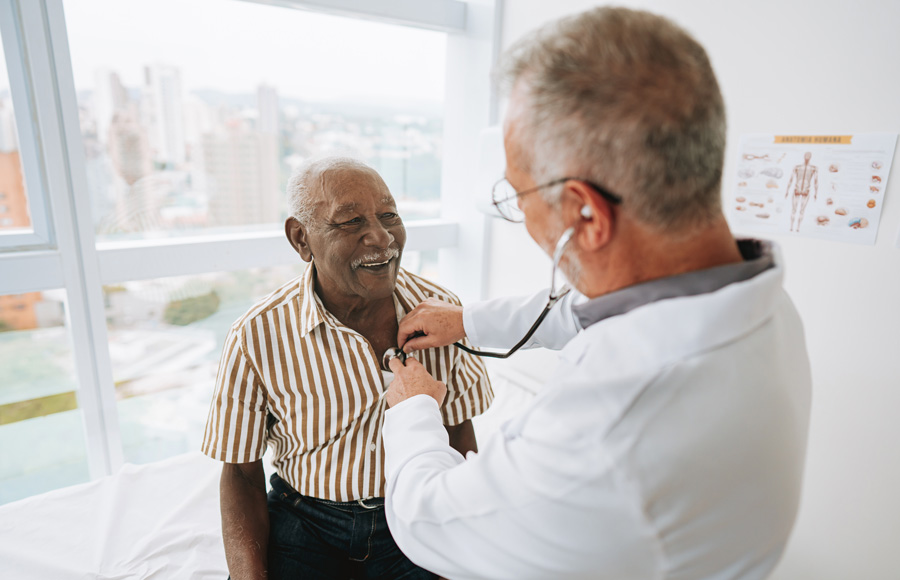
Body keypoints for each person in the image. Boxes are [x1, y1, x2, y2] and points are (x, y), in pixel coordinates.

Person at [381, 7, 812, 580]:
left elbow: (425, 516)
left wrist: (414, 409)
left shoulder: (605, 435)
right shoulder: (759, 302)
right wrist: (470, 321)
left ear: (586, 212)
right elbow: (607, 315)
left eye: (518, 197)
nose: (523, 217)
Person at [201, 157, 493, 579]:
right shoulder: (257, 334)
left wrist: (465, 536)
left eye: (389, 215)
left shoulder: (442, 312)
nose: (380, 236)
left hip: (411, 512)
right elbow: (242, 473)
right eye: (351, 221)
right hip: (307, 520)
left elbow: (459, 435)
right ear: (301, 239)